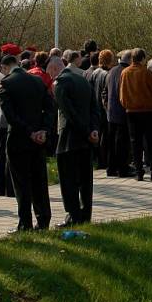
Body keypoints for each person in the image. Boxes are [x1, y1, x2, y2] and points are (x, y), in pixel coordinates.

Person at [0, 60, 55, 231]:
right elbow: (50, 107)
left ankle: (25, 222)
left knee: (21, 183)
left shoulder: (6, 84)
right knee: (39, 180)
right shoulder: (37, 81)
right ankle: (43, 219)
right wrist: (43, 129)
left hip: (18, 139)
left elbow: (10, 115)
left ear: (5, 68)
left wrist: (29, 131)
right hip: (39, 140)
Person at [54, 50, 100, 226]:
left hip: (69, 138)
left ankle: (73, 215)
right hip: (87, 139)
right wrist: (93, 130)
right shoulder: (84, 81)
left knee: (68, 180)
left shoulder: (60, 84)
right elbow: (94, 108)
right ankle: (86, 214)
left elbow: (68, 113)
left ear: (58, 67)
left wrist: (86, 130)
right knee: (86, 180)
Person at [119, 48, 152, 182]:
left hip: (131, 111)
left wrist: (127, 105)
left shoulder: (125, 73)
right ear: (143, 59)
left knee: (135, 143)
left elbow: (122, 94)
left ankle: (139, 172)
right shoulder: (147, 74)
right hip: (148, 111)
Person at [103, 50, 133, 177]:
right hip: (123, 111)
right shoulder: (127, 73)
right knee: (122, 142)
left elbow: (104, 92)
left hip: (111, 112)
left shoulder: (111, 71)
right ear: (130, 60)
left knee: (111, 142)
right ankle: (123, 169)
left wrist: (106, 105)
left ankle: (111, 168)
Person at [0, 55, 17, 198]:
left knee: (2, 154)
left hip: (1, 118)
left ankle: (3, 187)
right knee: (6, 154)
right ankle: (7, 187)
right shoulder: (3, 77)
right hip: (4, 119)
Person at [89, 49, 114, 170]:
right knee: (105, 136)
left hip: (94, 107)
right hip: (104, 108)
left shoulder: (94, 73)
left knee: (96, 133)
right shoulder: (107, 74)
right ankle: (104, 160)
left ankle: (96, 159)